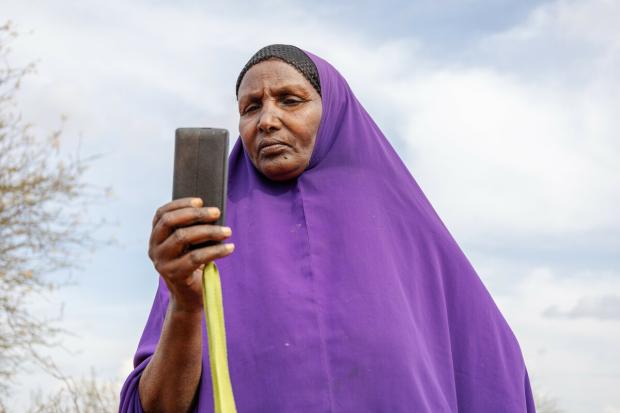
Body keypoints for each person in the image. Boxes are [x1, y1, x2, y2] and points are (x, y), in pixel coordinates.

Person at [119, 44, 536, 412]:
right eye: (250, 107)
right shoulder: (204, 244)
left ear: (333, 111)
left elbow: (491, 373)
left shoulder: (410, 234)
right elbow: (157, 407)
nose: (267, 120)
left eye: (289, 100)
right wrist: (187, 303)